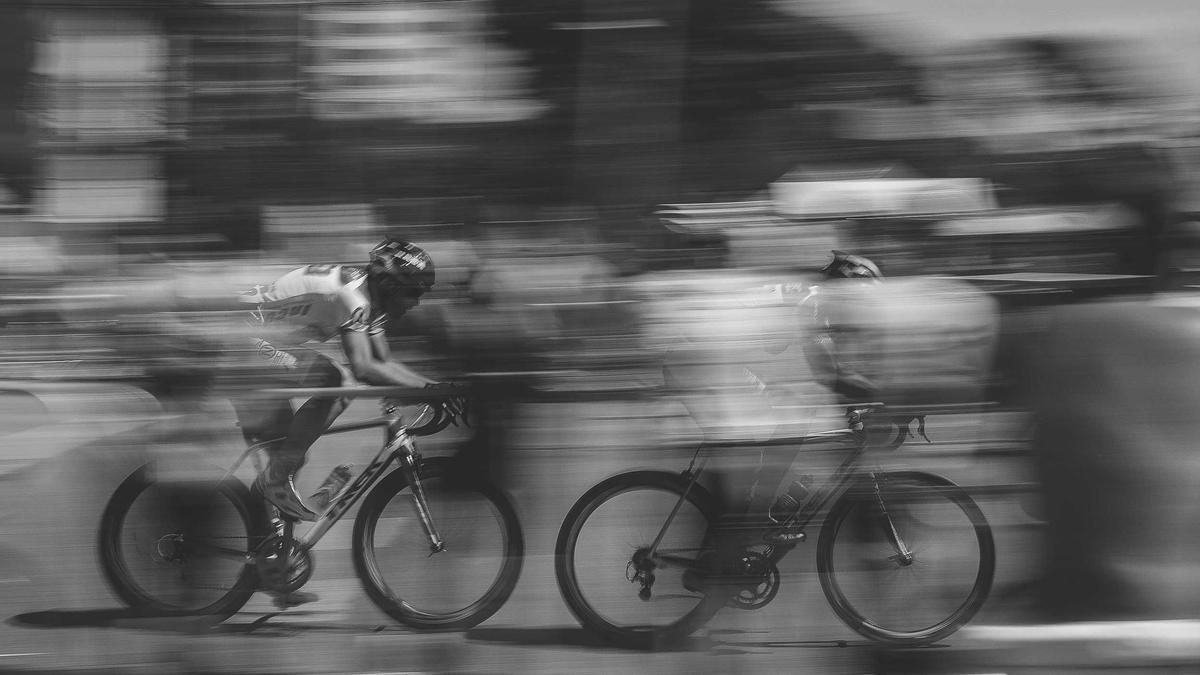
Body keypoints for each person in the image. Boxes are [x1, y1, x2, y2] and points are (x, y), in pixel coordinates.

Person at [233, 238, 461, 523]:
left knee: (289, 454)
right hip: (240, 340)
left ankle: (265, 537)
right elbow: (364, 368)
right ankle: (274, 485)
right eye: (413, 292)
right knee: (341, 382)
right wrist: (429, 392)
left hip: (255, 341)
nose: (416, 302)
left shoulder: (369, 299)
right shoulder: (353, 297)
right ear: (389, 284)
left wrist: (434, 388)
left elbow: (385, 363)